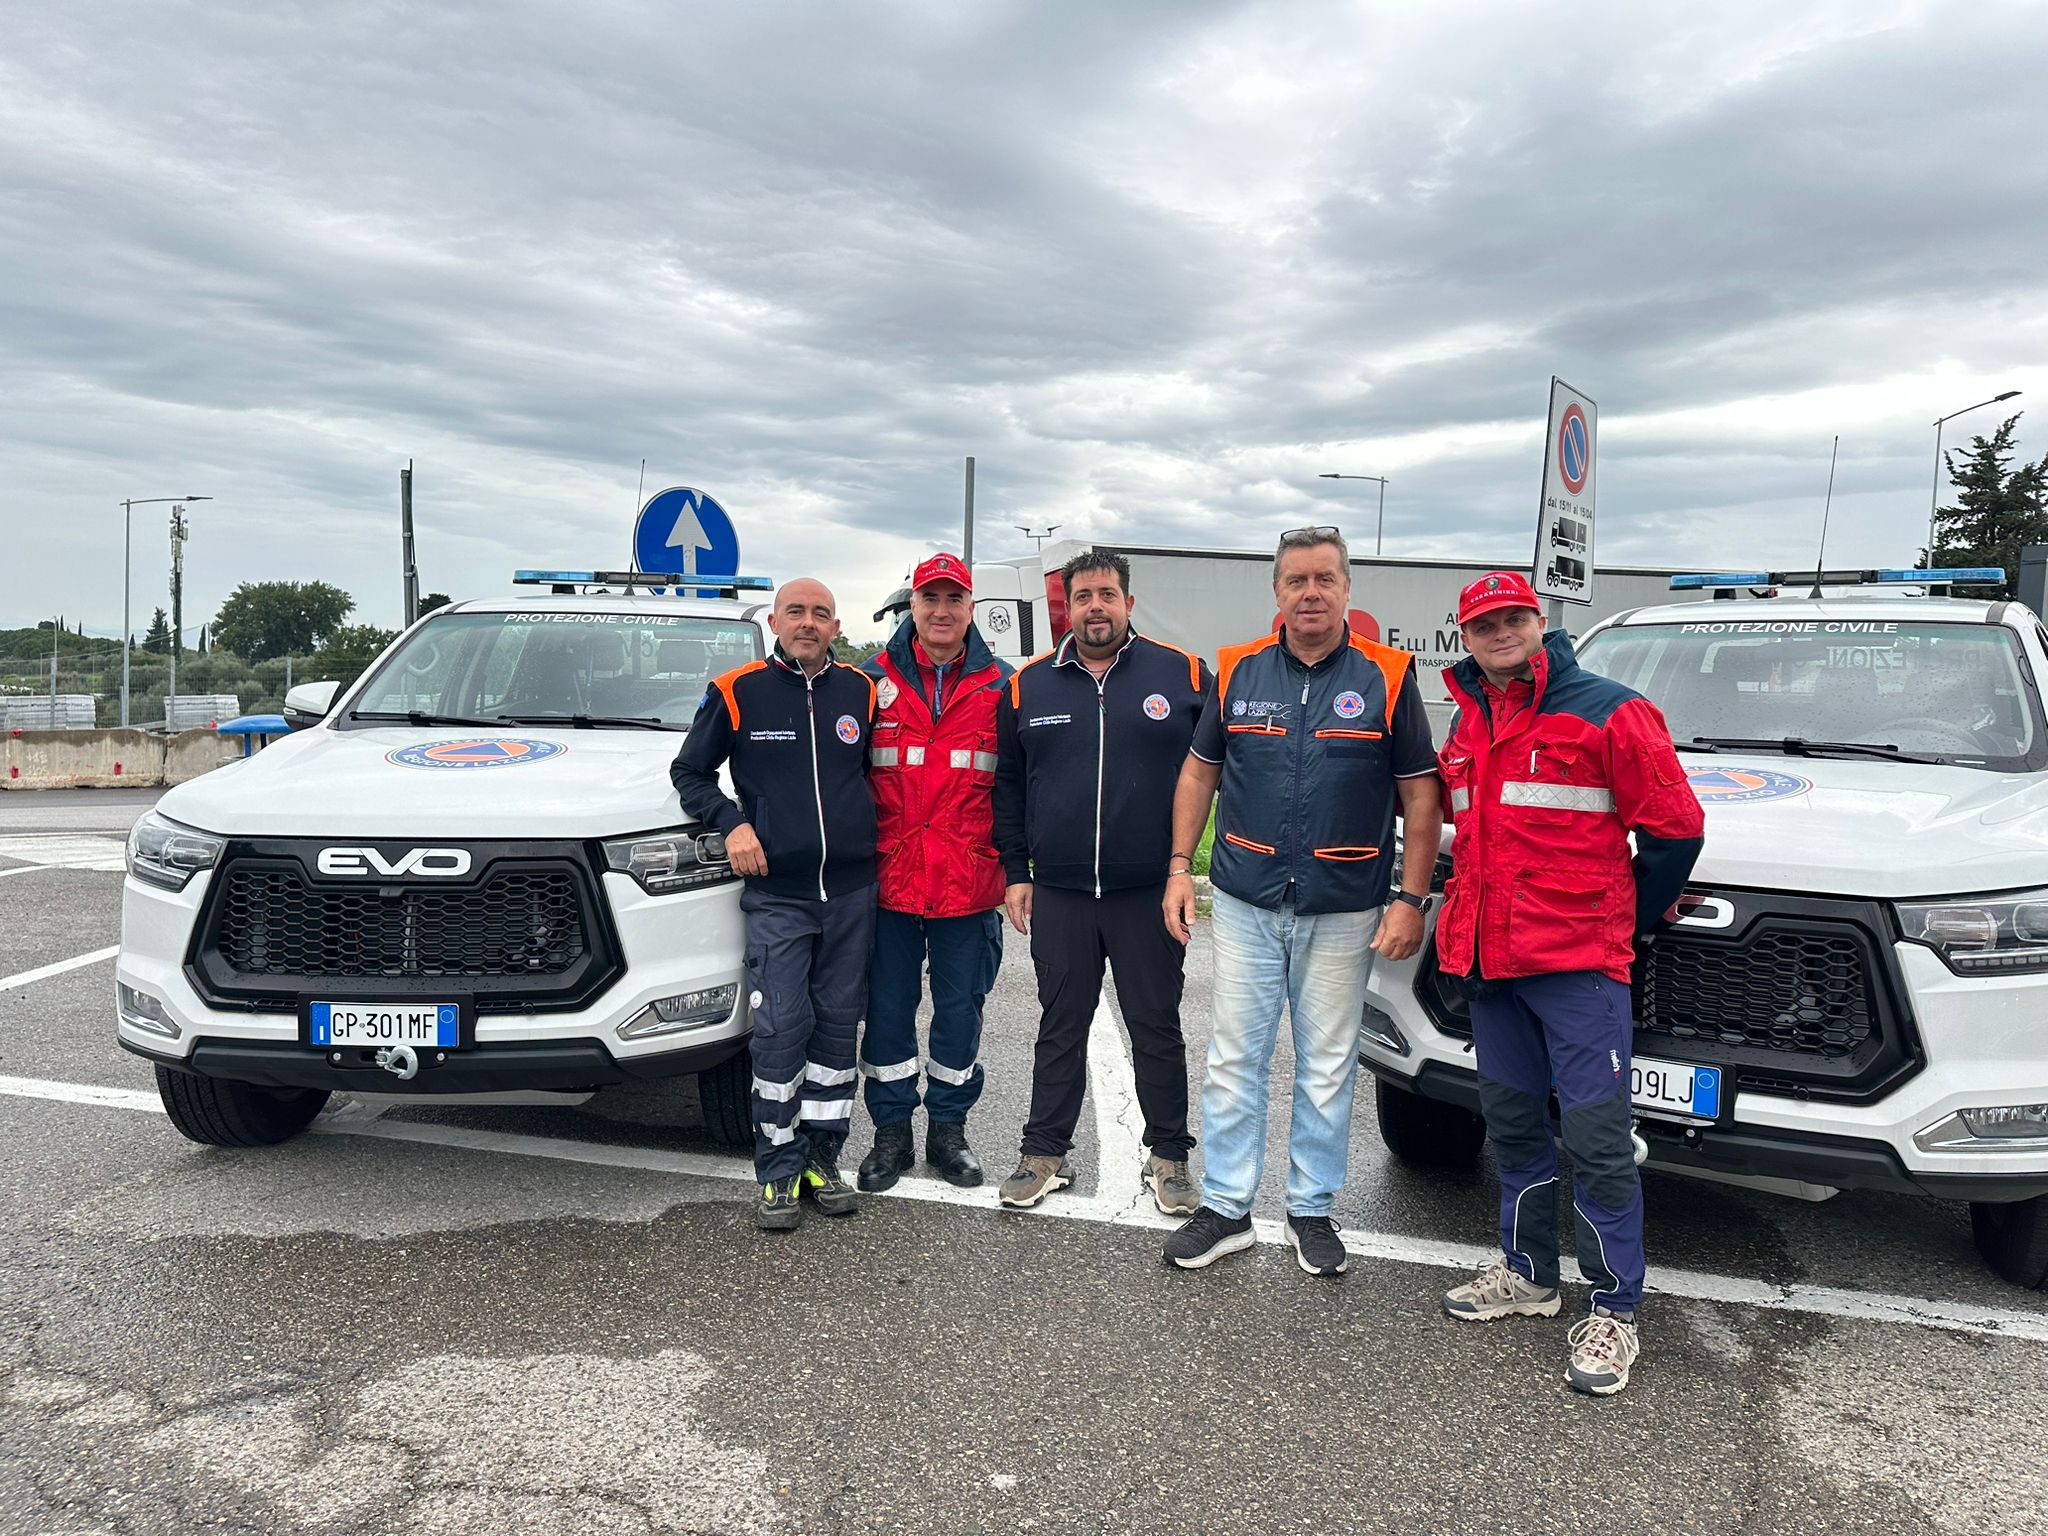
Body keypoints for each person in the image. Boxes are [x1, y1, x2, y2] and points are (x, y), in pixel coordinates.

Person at [1432, 570, 1704, 1396]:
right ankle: (1529, 1275)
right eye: (1484, 626)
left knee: (1596, 1141)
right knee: (1513, 1128)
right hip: (1492, 964)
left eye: (1514, 618)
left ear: (1539, 621)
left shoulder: (1610, 711)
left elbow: (1675, 830)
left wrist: (1624, 920)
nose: (1501, 634)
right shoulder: (1469, 720)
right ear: (1466, 639)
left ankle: (1615, 1309)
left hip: (1577, 967)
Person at [1162, 526, 1441, 1276]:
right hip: (1249, 905)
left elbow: (1421, 799)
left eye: (1325, 579)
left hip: (1346, 909)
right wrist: (1178, 868)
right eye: (1297, 581)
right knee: (1234, 1061)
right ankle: (1226, 1208)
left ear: (1347, 589)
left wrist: (1410, 899)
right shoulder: (1238, 670)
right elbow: (1198, 776)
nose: (1311, 592)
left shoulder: (1387, 675)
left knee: (1325, 1065)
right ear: (1277, 593)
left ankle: (1311, 1210)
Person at [993, 550, 1212, 1214]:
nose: (1096, 606)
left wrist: (1185, 869)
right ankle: (1044, 1154)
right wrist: (1016, 872)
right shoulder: (1028, 685)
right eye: (1083, 595)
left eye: (1107, 594)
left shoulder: (1184, 674)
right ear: (1068, 606)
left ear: (1128, 603)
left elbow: (1214, 771)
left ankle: (1168, 1159)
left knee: (1156, 1026)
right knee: (1061, 1024)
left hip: (1147, 890)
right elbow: (1007, 786)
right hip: (1058, 891)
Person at [671, 578, 878, 1231]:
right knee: (782, 1030)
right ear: (776, 621)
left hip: (851, 894)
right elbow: (689, 774)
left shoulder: (862, 692)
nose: (809, 623)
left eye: (820, 613)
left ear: (835, 624)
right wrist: (731, 822)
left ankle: (823, 1160)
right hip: (778, 897)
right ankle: (778, 1171)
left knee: (837, 1034)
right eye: (797, 612)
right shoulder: (736, 694)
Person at [854, 552, 1012, 1191]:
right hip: (889, 883)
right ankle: (890, 1133)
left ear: (971, 608)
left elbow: (1022, 787)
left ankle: (949, 1132)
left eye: (954, 600)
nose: (941, 612)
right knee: (887, 1012)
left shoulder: (1004, 687)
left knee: (960, 1014)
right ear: (911, 606)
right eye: (929, 599)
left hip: (968, 884)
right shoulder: (867, 682)